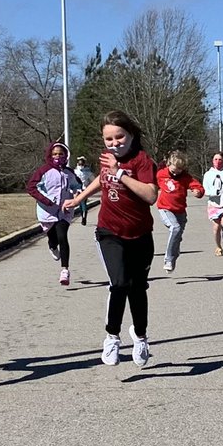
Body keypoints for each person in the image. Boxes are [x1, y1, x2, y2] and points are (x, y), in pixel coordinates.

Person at [64, 110, 158, 368]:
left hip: (140, 234)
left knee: (138, 288)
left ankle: (140, 337)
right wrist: (80, 198)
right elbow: (101, 179)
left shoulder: (142, 161)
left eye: (120, 137)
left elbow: (151, 196)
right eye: (109, 139)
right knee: (119, 283)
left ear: (131, 135)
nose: (115, 143)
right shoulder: (108, 160)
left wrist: (121, 174)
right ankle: (112, 337)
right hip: (109, 231)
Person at [27, 141, 82, 286]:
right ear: (50, 155)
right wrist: (46, 201)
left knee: (63, 236)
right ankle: (52, 246)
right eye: (55, 154)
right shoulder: (44, 171)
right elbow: (31, 187)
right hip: (47, 211)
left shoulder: (69, 172)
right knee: (53, 238)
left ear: (66, 155)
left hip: (65, 210)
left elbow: (77, 185)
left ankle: (65, 270)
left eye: (61, 154)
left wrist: (77, 193)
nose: (58, 156)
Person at [154, 150, 205, 273]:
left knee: (177, 236)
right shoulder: (161, 174)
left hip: (180, 212)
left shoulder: (185, 178)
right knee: (175, 228)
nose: (175, 174)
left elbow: (198, 187)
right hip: (165, 209)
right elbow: (150, 184)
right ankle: (168, 259)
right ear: (168, 164)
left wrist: (198, 192)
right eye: (173, 171)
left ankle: (173, 257)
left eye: (179, 171)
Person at [202, 152, 223, 256]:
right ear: (212, 161)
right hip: (213, 204)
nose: (217, 162)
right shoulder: (208, 174)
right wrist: (213, 193)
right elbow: (205, 190)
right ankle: (218, 246)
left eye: (220, 159)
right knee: (216, 227)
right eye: (215, 159)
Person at [74, 156, 96, 225]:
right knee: (80, 205)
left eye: (81, 162)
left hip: (84, 190)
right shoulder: (75, 171)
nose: (80, 164)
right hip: (77, 190)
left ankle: (84, 218)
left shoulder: (87, 172)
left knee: (83, 204)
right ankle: (82, 215)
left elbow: (93, 181)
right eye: (79, 162)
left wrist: (89, 188)